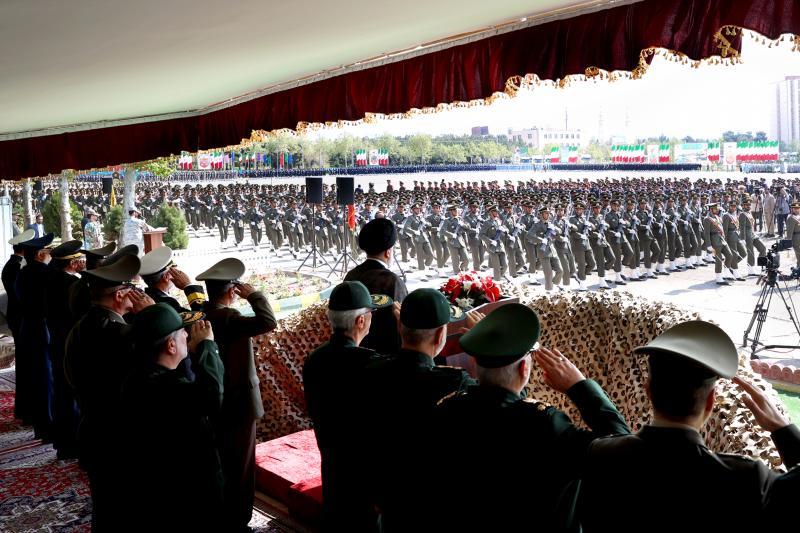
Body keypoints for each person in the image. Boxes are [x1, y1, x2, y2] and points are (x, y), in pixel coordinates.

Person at [579, 320, 800, 532]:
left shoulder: (598, 455)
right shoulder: (748, 480)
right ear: (711, 400)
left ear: (648, 389)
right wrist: (783, 429)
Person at [432, 303, 630, 531]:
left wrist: (490, 346)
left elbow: (500, 409)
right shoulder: (547, 425)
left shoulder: (447, 410)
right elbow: (622, 447)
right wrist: (579, 387)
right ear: (525, 369)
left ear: (475, 363)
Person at [364, 288, 482, 531]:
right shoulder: (453, 382)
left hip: (385, 500)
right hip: (435, 507)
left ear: (400, 328)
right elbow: (501, 401)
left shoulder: (371, 370)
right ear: (441, 335)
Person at [65, 255, 154, 530]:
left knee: (106, 508)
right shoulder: (123, 335)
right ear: (119, 296)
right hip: (123, 438)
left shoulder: (80, 327)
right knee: (128, 510)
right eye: (131, 291)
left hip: (93, 429)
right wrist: (151, 314)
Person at [122, 305, 224, 531]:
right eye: (182, 334)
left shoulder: (136, 378)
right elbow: (211, 395)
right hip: (187, 492)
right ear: (170, 345)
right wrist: (208, 346)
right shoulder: (167, 387)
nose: (187, 336)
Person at [303, 281, 392, 532]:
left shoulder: (315, 358)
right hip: (365, 479)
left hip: (331, 467)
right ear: (361, 321)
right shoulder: (370, 365)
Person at [198, 257, 277, 532]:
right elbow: (268, 321)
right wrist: (254, 295)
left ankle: (222, 515)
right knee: (241, 467)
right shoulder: (230, 317)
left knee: (222, 459)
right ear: (233, 291)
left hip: (215, 399)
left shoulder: (202, 313)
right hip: (240, 402)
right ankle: (238, 522)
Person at [44, 240, 86, 459]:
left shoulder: (51, 279)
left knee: (62, 393)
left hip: (56, 340)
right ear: (73, 263)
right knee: (72, 395)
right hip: (70, 341)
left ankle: (64, 444)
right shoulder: (72, 285)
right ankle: (73, 444)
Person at [344, 218, 408, 354]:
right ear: (388, 252)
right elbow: (401, 325)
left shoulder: (351, 276)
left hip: (354, 354)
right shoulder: (393, 281)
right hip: (385, 359)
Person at [15, 232, 55, 441]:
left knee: (36, 378)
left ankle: (41, 426)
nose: (50, 255)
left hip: (28, 329)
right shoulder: (46, 274)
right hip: (44, 329)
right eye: (48, 252)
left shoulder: (23, 273)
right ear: (40, 255)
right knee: (47, 379)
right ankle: (49, 426)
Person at [139, 246, 206, 312]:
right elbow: (201, 316)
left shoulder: (145, 297)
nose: (179, 275)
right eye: (175, 272)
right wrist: (188, 285)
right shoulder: (168, 303)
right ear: (166, 277)